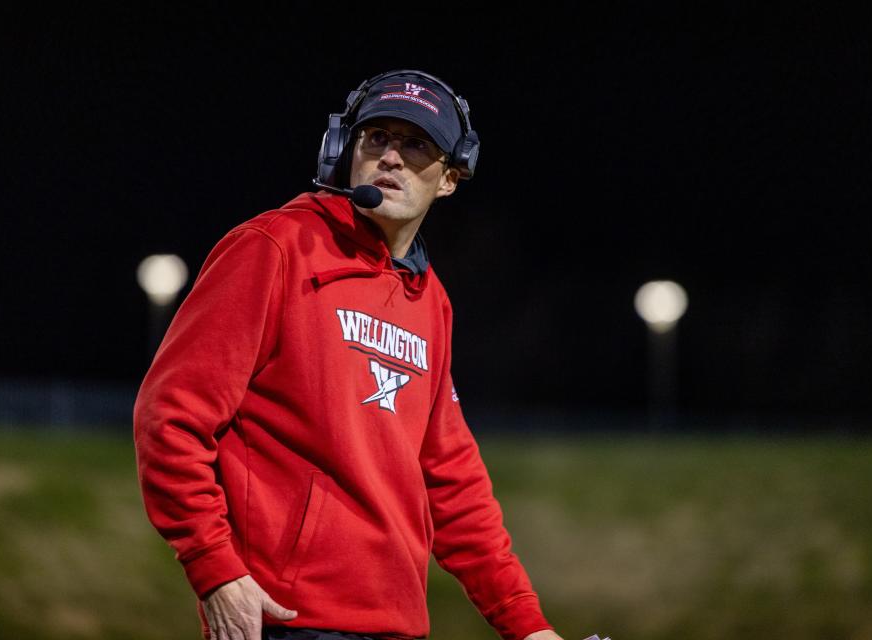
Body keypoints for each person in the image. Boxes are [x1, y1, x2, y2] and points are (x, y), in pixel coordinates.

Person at [133, 69, 563, 640]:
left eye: (416, 144)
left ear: (451, 179)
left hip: (396, 626)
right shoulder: (273, 248)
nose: (390, 157)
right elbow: (170, 418)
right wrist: (214, 568)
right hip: (286, 620)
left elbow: (453, 481)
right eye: (376, 138)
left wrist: (527, 626)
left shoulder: (430, 299)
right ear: (342, 150)